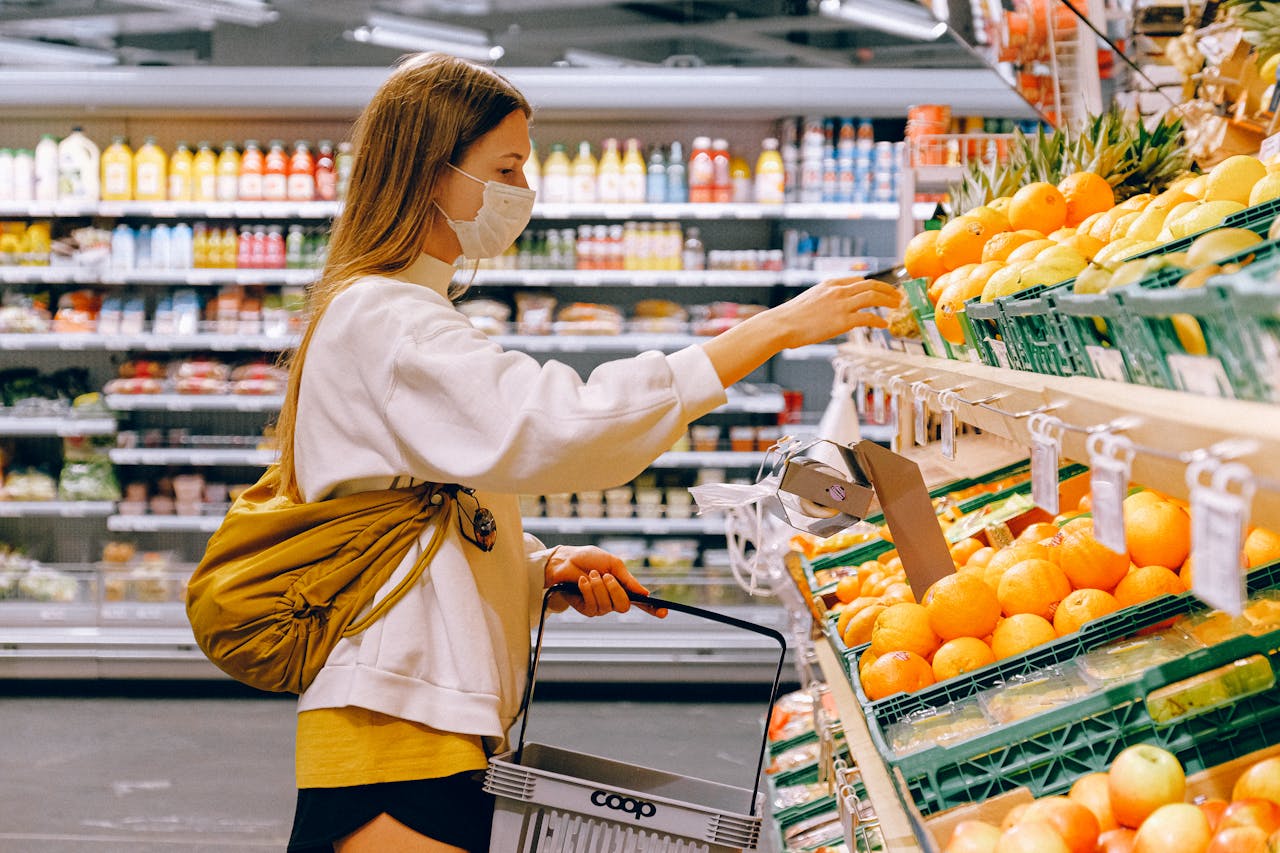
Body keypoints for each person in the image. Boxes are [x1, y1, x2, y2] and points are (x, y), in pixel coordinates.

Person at [276, 51, 900, 853]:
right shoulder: (387, 320)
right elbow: (559, 425)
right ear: (433, 174)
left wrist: (537, 571)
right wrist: (771, 329)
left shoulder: (406, 309)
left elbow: (422, 517)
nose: (522, 193)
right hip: (394, 728)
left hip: (428, 717)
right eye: (505, 168)